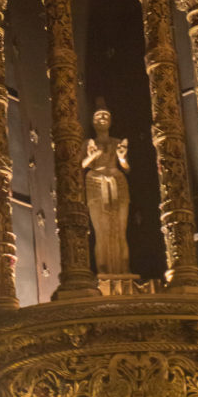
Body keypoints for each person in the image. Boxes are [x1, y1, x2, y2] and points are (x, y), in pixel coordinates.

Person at [83, 105, 130, 274]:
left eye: (105, 115)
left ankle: (123, 269)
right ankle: (103, 270)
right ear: (93, 121)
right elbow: (81, 165)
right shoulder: (89, 143)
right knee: (101, 231)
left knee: (119, 229)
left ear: (110, 121)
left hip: (117, 181)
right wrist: (93, 156)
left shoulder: (117, 142)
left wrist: (121, 157)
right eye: (98, 116)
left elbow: (126, 167)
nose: (102, 118)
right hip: (95, 182)